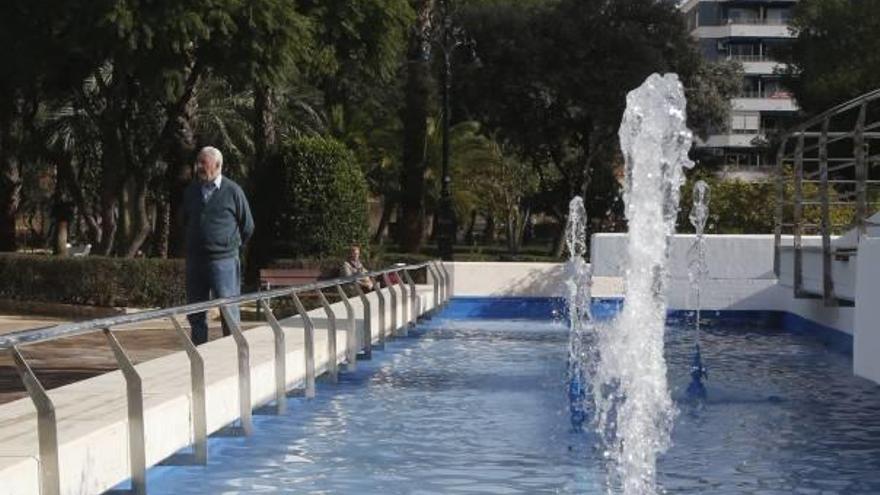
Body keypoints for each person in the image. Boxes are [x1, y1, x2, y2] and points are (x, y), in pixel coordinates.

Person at [184, 146, 254, 345]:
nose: (198, 167)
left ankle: (232, 353)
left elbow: (247, 225)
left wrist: (231, 246)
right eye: (198, 162)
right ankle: (200, 352)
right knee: (196, 311)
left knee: (228, 311)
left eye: (203, 163)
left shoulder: (233, 191)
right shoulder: (191, 191)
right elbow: (185, 220)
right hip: (196, 261)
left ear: (217, 166)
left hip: (223, 261)